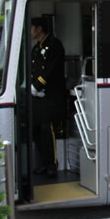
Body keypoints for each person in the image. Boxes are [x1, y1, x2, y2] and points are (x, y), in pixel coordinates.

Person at [30, 17, 66, 177]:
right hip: (38, 96)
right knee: (37, 129)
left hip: (51, 94)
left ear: (39, 28)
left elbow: (51, 69)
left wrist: (38, 85)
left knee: (47, 128)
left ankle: (52, 163)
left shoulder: (54, 45)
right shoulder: (36, 49)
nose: (30, 31)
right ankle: (44, 163)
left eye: (32, 27)